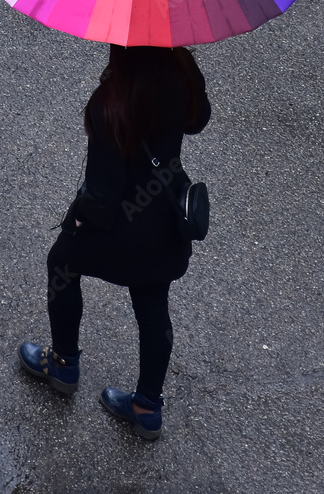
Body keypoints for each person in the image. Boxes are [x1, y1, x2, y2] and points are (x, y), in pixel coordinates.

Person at [19, 43, 211, 440]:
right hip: (162, 222)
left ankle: (63, 364)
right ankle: (147, 406)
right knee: (153, 308)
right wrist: (187, 62)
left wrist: (76, 220)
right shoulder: (179, 73)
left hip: (121, 227)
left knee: (61, 264)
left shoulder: (112, 102)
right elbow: (198, 120)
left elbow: (103, 198)